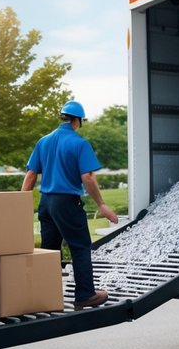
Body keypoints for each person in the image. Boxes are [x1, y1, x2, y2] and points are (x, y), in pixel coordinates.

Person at [22, 100, 119, 308]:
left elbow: (30, 175)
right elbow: (88, 177)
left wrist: (19, 205)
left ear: (62, 117)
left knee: (49, 251)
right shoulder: (79, 143)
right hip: (66, 202)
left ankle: (45, 296)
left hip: (46, 203)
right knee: (81, 246)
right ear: (77, 121)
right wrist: (101, 205)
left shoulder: (43, 141)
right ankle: (85, 295)